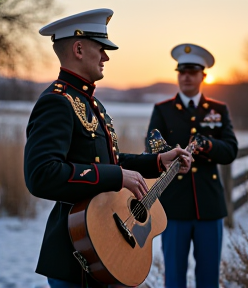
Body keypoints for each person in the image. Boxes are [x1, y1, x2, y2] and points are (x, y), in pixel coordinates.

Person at [23, 9, 193, 288]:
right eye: (101, 48)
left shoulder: (93, 105)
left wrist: (159, 161)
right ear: (78, 48)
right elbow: (41, 174)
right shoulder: (57, 102)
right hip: (75, 254)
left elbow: (111, 160)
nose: (106, 56)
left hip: (107, 250)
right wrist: (116, 177)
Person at [146, 43, 238, 288]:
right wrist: (170, 153)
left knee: (208, 277)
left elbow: (230, 150)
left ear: (203, 76)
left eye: (192, 71)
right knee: (174, 276)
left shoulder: (218, 110)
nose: (186, 76)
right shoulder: (163, 110)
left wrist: (206, 144)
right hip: (174, 206)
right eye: (182, 71)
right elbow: (152, 145)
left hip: (209, 205)